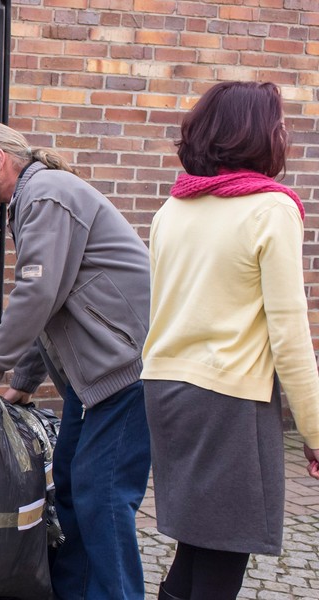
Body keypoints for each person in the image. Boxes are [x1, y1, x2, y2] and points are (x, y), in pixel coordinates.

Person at [141, 81, 319, 600]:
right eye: (279, 125)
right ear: (257, 135)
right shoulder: (270, 210)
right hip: (229, 398)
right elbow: (289, 335)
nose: (284, 135)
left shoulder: (172, 209)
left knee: (196, 545)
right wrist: (314, 431)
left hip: (166, 388)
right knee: (222, 555)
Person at [0, 122, 152, 599]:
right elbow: (53, 301)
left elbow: (38, 292)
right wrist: (23, 379)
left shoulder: (45, 194)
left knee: (101, 494)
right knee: (68, 482)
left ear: (0, 158)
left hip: (127, 372)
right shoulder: (31, 199)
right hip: (94, 380)